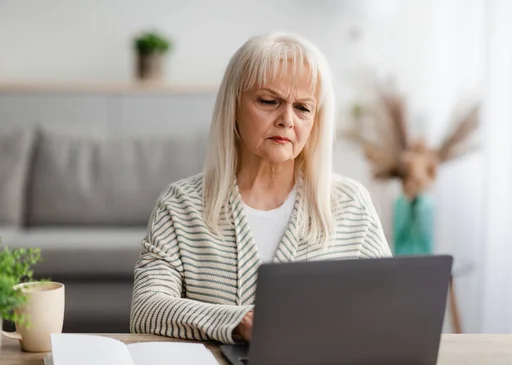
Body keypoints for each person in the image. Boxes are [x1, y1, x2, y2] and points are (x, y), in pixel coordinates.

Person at [130, 32, 391, 344]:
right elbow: (146, 309)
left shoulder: (351, 203)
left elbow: (388, 308)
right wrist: (237, 321)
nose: (287, 120)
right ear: (233, 106)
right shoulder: (180, 205)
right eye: (269, 101)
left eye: (303, 108)